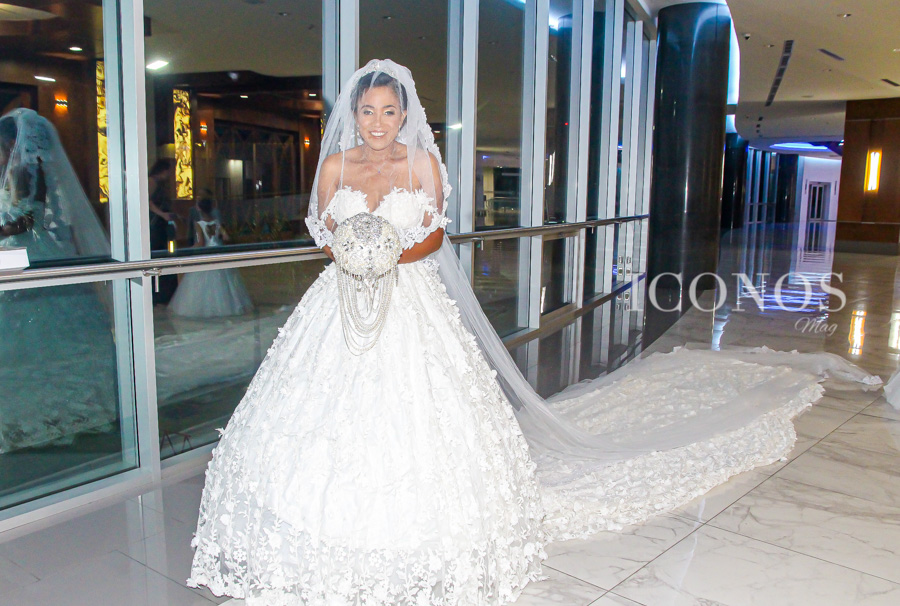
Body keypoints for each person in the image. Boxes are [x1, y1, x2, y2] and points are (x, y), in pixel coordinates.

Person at [188, 60, 878, 605]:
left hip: (410, 298)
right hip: (339, 301)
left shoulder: (421, 163)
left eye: (388, 111)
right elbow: (323, 229)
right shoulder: (336, 164)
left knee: (421, 410)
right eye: (367, 111)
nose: (376, 122)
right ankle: (315, 529)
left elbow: (434, 237)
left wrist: (388, 256)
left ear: (405, 114)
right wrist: (350, 252)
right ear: (354, 113)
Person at [0, 108, 118, 454]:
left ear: (13, 143)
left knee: (35, 335)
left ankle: (43, 409)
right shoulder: (21, 169)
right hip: (21, 250)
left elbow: (26, 219)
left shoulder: (23, 171)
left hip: (25, 252)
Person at [169, 196, 254, 318]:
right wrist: (217, 240)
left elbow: (201, 243)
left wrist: (190, 249)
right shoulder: (217, 222)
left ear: (199, 208)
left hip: (207, 253)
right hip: (218, 252)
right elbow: (226, 237)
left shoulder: (199, 224)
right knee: (224, 281)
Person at [148, 158, 178, 304]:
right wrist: (162, 214)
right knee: (159, 254)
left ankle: (166, 293)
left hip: (162, 223)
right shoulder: (151, 182)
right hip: (156, 224)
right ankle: (157, 294)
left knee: (167, 253)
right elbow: (148, 201)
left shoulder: (161, 184)